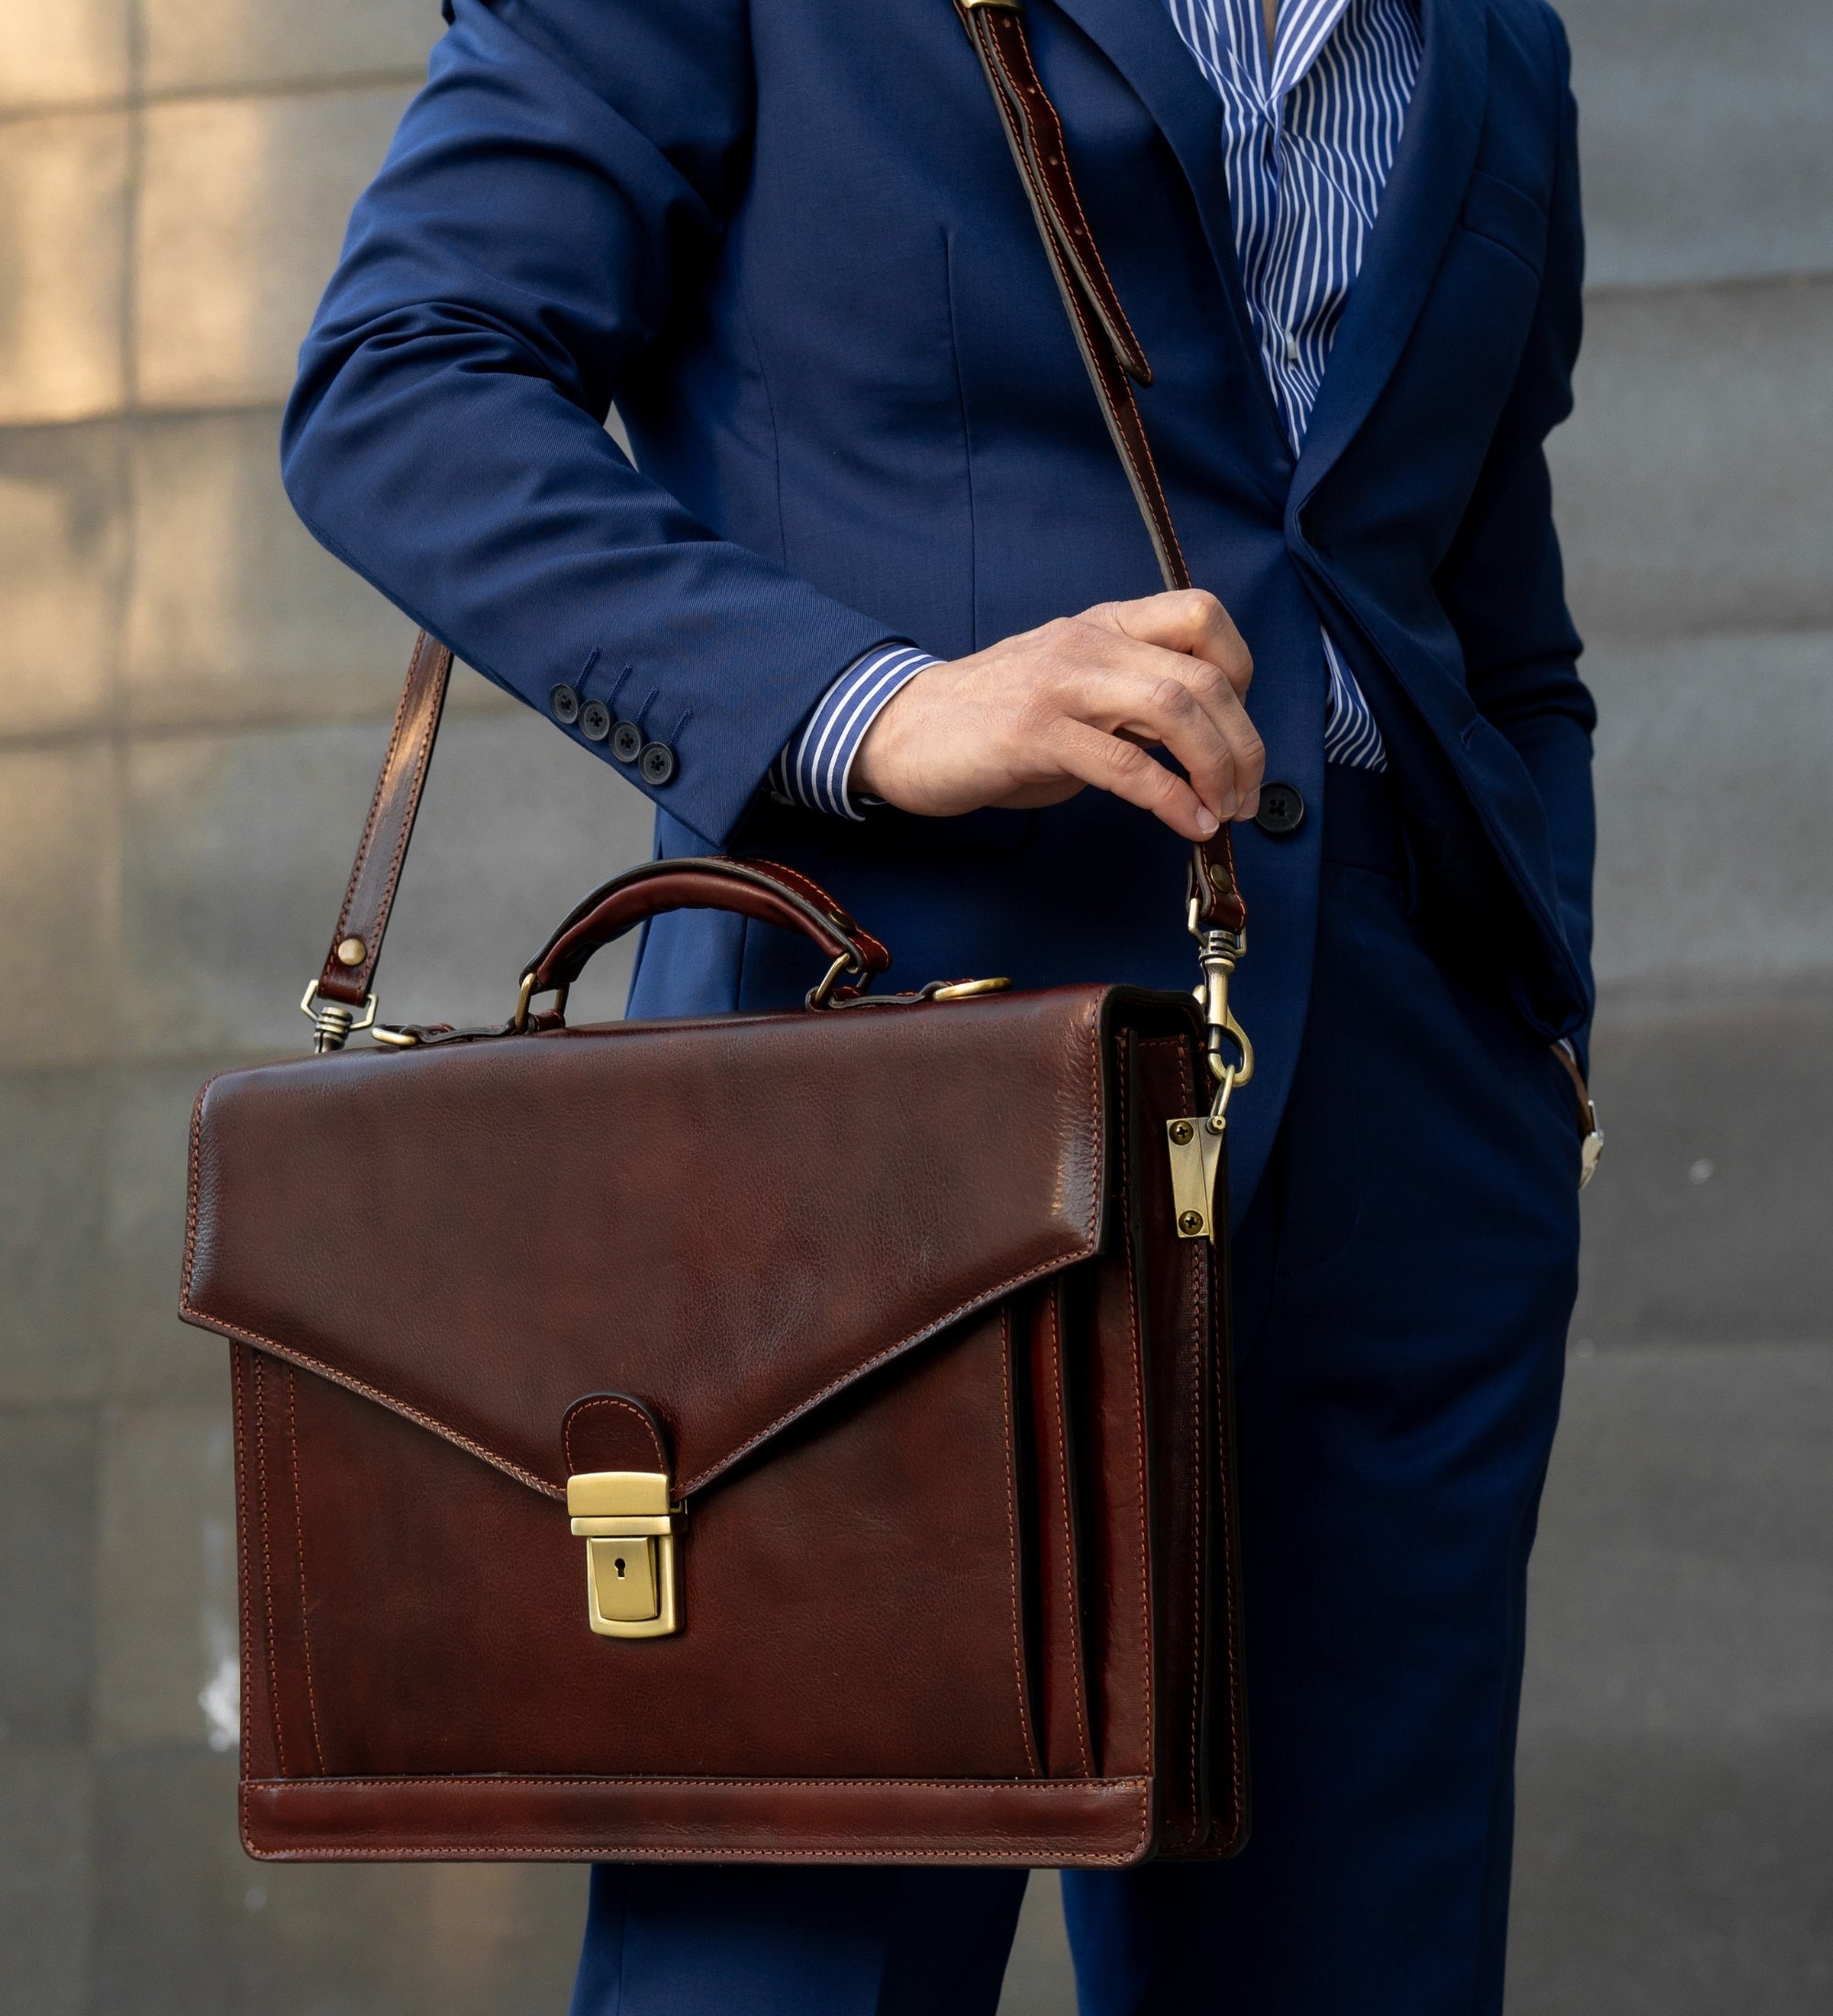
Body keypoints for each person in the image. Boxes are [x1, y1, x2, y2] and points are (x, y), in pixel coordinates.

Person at [280, 0, 1596, 2008]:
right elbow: (402, 385)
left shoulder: (1496, 38)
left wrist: (1537, 1004)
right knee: (793, 1972)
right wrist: (886, 703)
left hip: (1407, 1140)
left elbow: (1493, 613)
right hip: (881, 1100)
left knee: (1363, 1960)